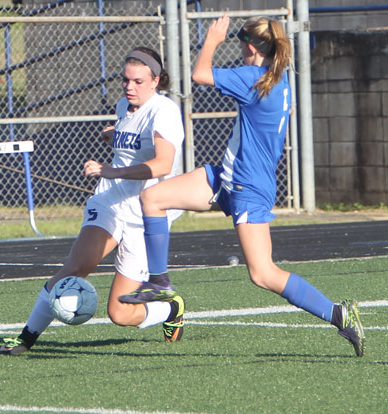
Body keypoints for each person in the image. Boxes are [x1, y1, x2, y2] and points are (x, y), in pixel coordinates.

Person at [119, 16, 365, 357]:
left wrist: (212, 39)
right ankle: (159, 281)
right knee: (153, 198)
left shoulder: (255, 78)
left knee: (263, 273)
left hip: (248, 188)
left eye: (239, 45)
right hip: (227, 178)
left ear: (250, 47)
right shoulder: (275, 80)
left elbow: (199, 74)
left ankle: (338, 313)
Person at [0, 46, 185, 356]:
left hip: (146, 216)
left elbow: (163, 164)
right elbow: (129, 138)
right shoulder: (124, 104)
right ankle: (26, 338)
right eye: (125, 80)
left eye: (138, 81)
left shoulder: (164, 111)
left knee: (120, 313)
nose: (129, 87)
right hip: (110, 200)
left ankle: (170, 310)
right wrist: (113, 136)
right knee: (77, 265)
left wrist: (112, 168)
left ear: (156, 80)